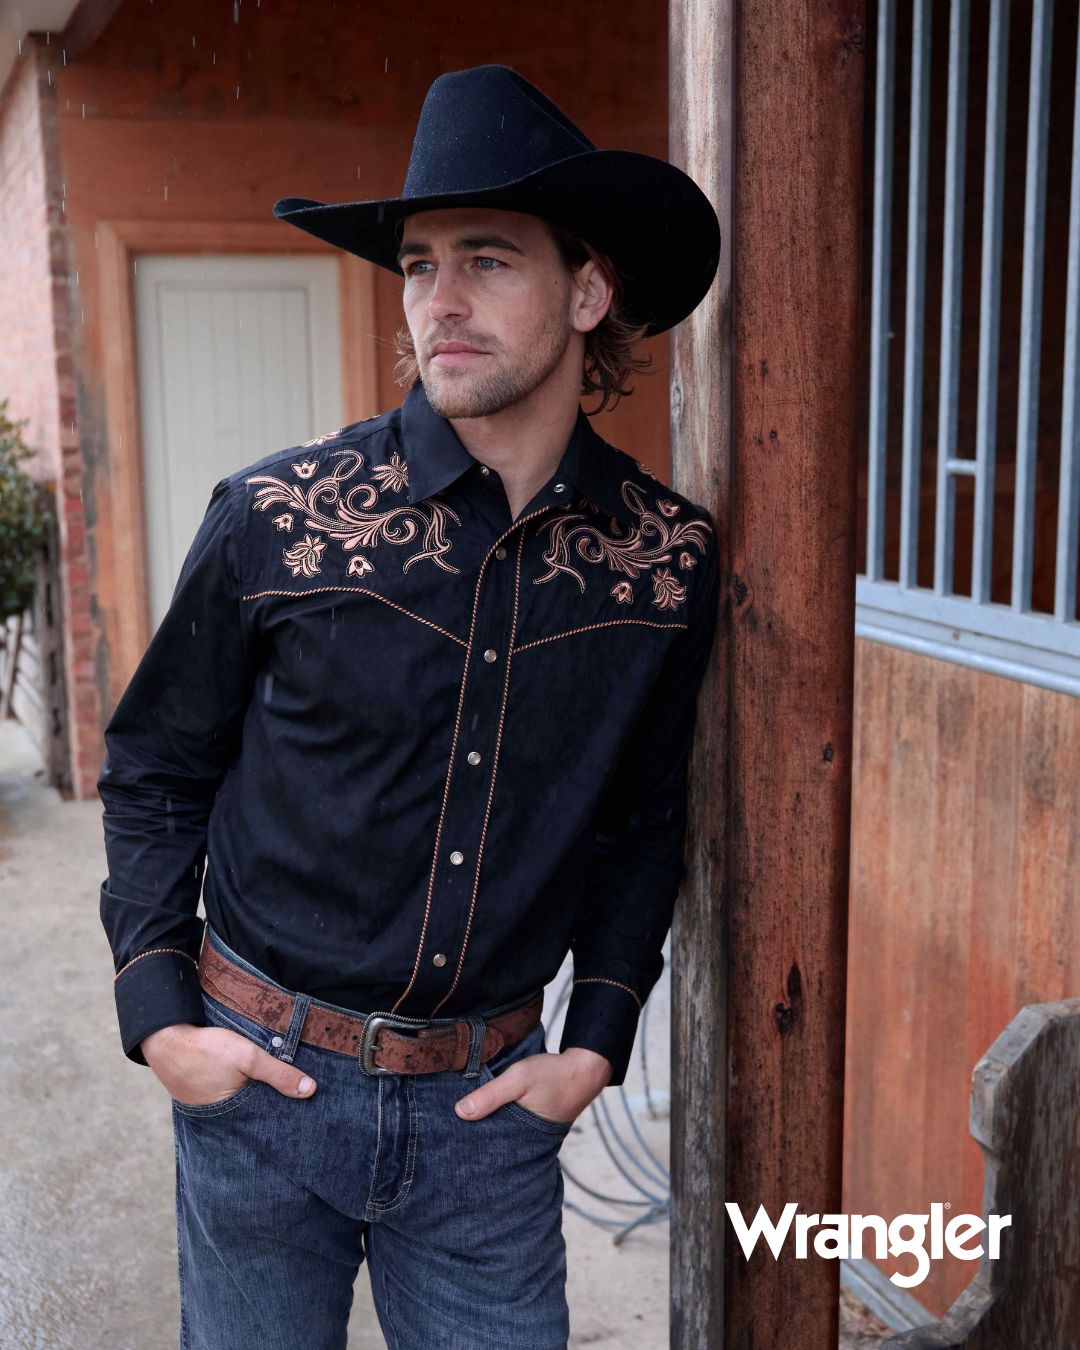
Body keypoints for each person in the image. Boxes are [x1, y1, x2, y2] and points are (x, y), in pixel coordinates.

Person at [99, 64, 720, 1350]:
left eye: (487, 260)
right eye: (420, 262)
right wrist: (161, 1023)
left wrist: (595, 1041)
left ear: (589, 290)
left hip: (488, 1120)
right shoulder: (279, 518)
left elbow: (646, 822)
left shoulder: (662, 562)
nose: (439, 298)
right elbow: (156, 769)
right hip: (260, 1088)